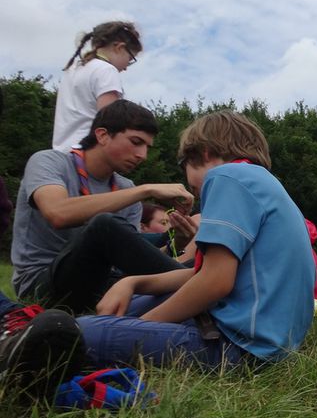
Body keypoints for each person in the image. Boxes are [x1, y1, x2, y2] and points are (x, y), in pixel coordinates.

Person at [74, 110, 316, 369]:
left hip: (241, 348)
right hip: (266, 341)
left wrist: (140, 326)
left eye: (184, 165)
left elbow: (214, 283)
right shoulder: (258, 181)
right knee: (123, 308)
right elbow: (201, 273)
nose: (189, 186)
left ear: (204, 153)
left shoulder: (227, 177)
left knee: (81, 333)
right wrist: (132, 282)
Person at [11, 100, 193, 315]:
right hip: (41, 284)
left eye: (146, 147)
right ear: (102, 135)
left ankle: (200, 285)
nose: (142, 155)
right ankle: (200, 290)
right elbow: (57, 212)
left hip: (102, 282)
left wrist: (175, 243)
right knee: (103, 225)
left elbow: (128, 259)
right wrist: (145, 191)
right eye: (136, 142)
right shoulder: (49, 162)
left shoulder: (126, 188)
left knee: (194, 261)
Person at [52, 22, 143, 152]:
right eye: (129, 59)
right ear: (119, 47)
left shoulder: (73, 69)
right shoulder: (106, 70)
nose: (126, 68)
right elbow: (109, 121)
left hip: (62, 153)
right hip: (87, 154)